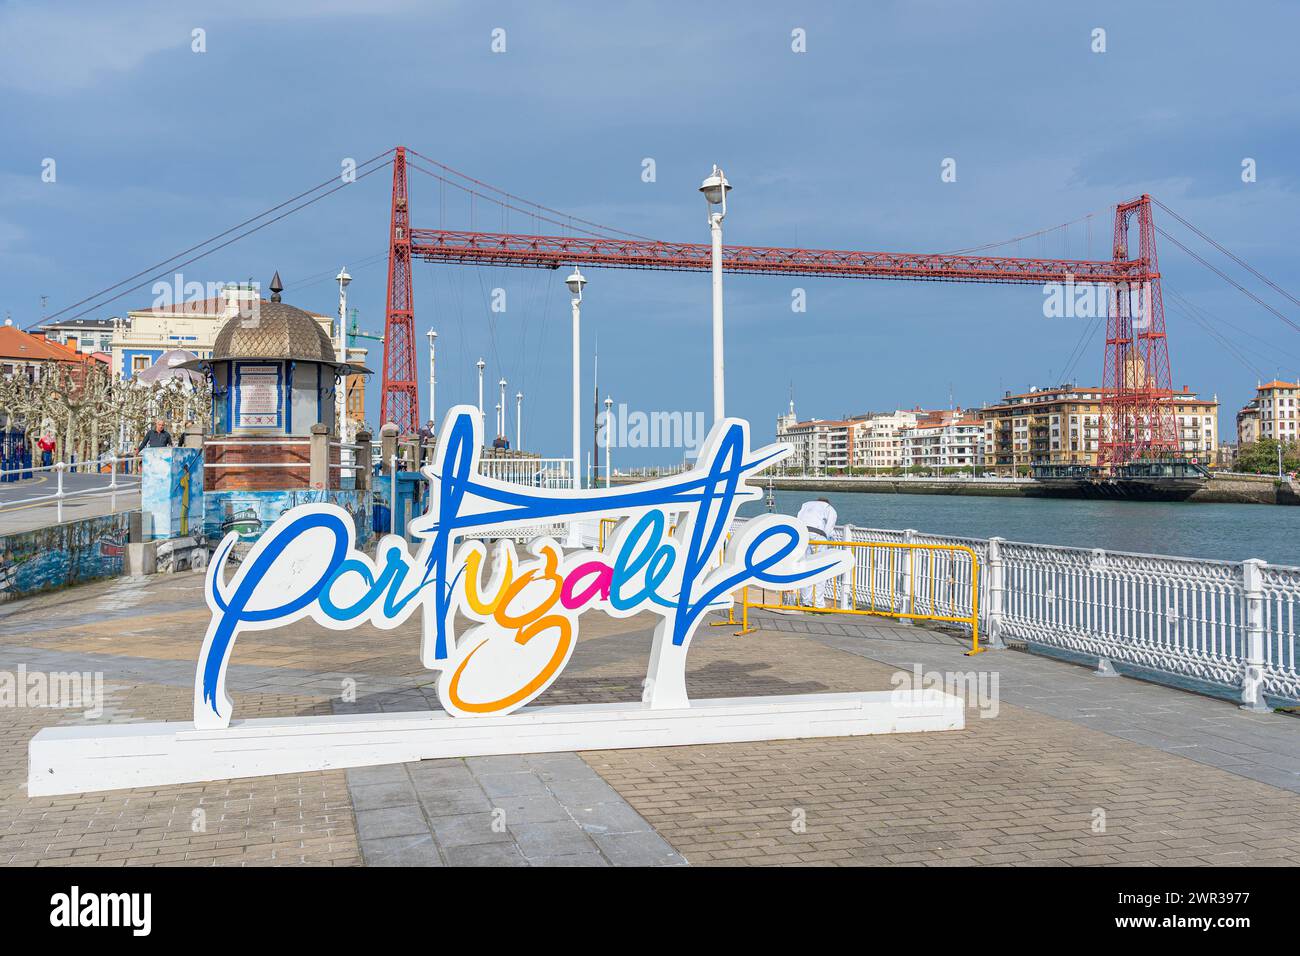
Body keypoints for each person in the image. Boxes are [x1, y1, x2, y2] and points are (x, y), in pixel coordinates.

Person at [795, 497, 838, 607]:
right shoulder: (829, 508)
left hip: (802, 535)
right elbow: (829, 528)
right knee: (820, 570)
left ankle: (805, 601)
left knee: (805, 569)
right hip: (818, 537)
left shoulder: (806, 504)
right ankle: (819, 604)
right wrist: (828, 539)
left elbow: (798, 519)